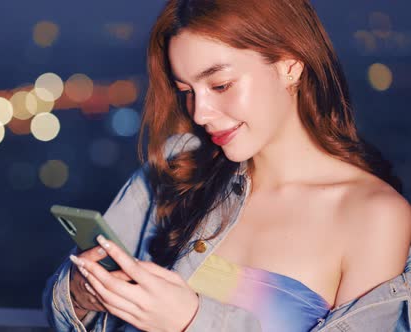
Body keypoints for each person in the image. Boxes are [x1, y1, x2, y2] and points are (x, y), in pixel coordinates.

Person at [42, 0, 411, 331]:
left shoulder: (375, 215)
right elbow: (62, 308)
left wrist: (191, 321)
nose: (200, 113)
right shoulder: (180, 165)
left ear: (290, 66)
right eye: (186, 91)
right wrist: (82, 293)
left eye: (219, 85)